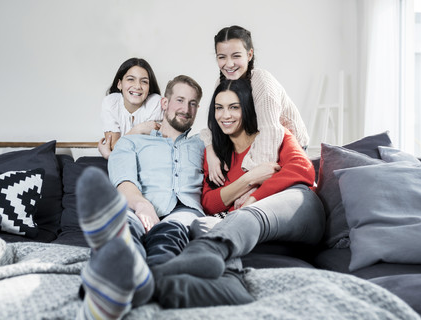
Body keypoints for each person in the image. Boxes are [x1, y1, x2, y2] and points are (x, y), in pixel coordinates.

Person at [75, 75, 253, 320]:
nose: (186, 108)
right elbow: (123, 181)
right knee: (121, 230)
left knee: (171, 233)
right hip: (136, 205)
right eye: (180, 100)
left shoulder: (203, 144)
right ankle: (114, 279)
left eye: (192, 103)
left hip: (184, 212)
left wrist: (211, 146)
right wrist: (141, 204)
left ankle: (152, 280)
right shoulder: (132, 142)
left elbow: (241, 139)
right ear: (165, 103)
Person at [151, 78, 325, 284]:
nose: (225, 115)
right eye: (219, 108)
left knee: (272, 204)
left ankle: (201, 253)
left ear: (247, 109)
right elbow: (208, 201)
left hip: (298, 218)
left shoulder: (274, 136)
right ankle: (229, 285)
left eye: (234, 107)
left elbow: (302, 170)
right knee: (202, 224)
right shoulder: (216, 154)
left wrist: (253, 199)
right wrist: (249, 178)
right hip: (256, 236)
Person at [201, 25, 310, 187]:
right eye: (222, 57)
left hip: (286, 145)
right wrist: (210, 151)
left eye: (236, 56)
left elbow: (269, 134)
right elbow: (214, 122)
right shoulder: (223, 82)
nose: (229, 64)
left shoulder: (263, 84)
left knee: (256, 195)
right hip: (254, 139)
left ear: (249, 54)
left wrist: (249, 185)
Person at [98, 58, 163, 159]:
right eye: (130, 79)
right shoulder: (111, 102)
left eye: (144, 81)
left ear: (149, 87)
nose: (137, 86)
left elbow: (146, 151)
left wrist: (109, 154)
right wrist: (138, 130)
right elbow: (113, 147)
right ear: (119, 84)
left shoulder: (155, 103)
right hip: (119, 163)